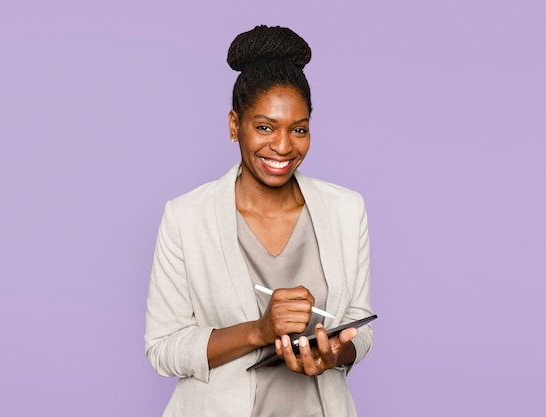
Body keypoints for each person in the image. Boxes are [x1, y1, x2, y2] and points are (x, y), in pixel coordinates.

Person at [145, 25, 374, 417]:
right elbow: (163, 349)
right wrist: (258, 332)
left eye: (298, 129)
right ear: (235, 125)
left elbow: (360, 326)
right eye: (265, 127)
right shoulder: (186, 217)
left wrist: (335, 353)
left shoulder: (346, 210)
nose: (283, 146)